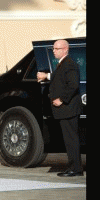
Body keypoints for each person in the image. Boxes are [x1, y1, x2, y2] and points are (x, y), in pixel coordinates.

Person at [37, 39, 83, 177]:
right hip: (66, 110)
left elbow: (73, 85)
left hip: (68, 109)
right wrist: (47, 76)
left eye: (56, 49)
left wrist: (61, 99)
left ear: (65, 49)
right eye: (53, 49)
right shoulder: (63, 64)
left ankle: (75, 169)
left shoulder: (69, 64)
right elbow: (60, 77)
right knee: (69, 140)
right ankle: (74, 168)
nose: (54, 51)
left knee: (71, 140)